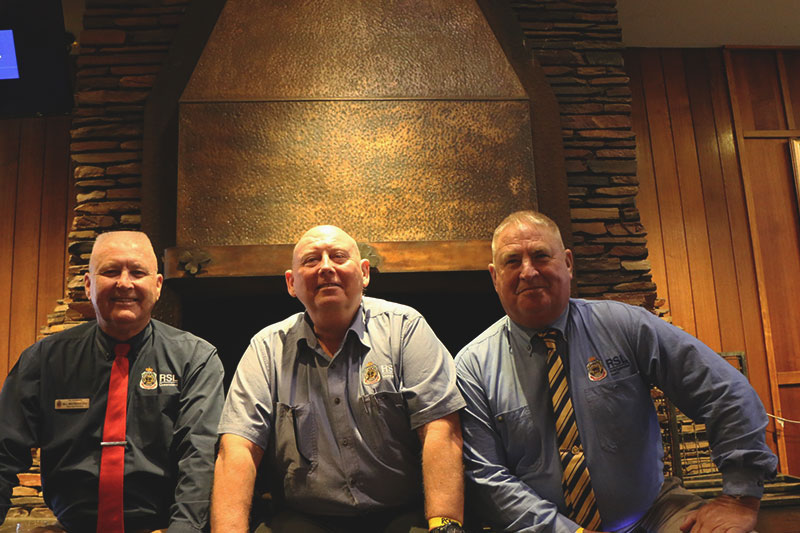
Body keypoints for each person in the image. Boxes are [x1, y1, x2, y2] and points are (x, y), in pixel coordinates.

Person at [454, 210, 778, 533]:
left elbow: (726, 391)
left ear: (568, 263)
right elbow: (487, 476)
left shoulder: (627, 326)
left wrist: (740, 496)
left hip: (653, 514)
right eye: (512, 261)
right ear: (494, 277)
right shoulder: (472, 367)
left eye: (540, 255)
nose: (528, 271)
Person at [211, 225, 466, 533]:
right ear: (291, 283)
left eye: (338, 256)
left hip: (401, 513)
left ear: (364, 273)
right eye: (311, 260)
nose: (326, 267)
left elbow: (440, 429)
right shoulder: (266, 348)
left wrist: (444, 525)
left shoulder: (405, 329)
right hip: (305, 518)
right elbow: (238, 448)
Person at [0, 231, 225, 533]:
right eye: (110, 271)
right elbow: (3, 452)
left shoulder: (195, 358)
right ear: (88, 284)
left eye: (138, 272)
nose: (124, 283)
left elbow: (199, 456)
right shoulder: (44, 360)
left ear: (158, 285)